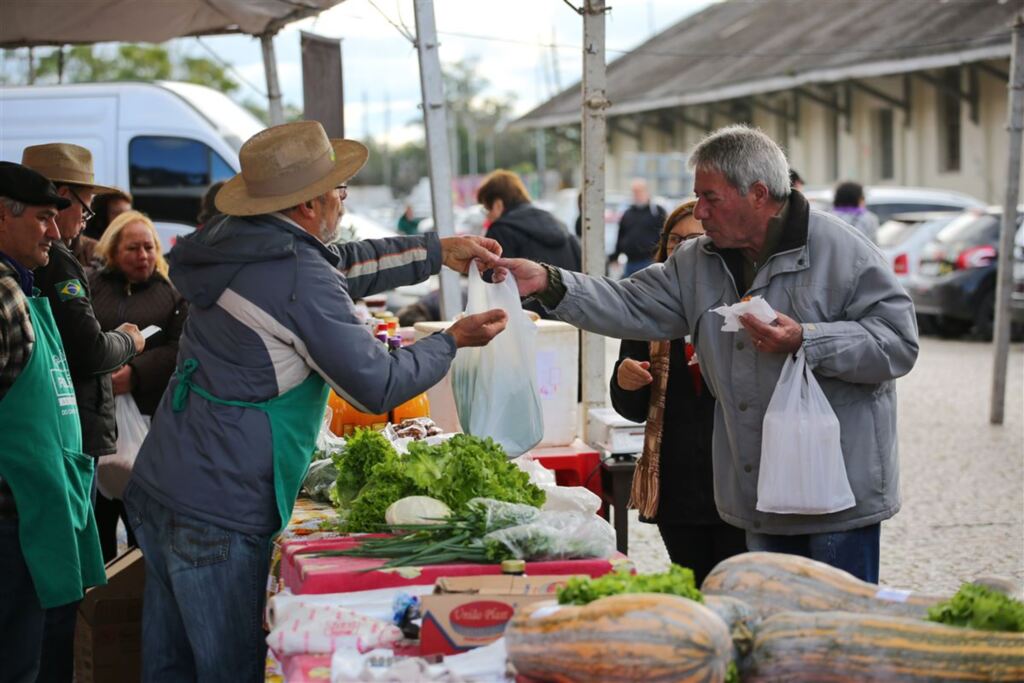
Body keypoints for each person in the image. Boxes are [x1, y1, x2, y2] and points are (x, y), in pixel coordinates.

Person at [122, 120, 508, 681]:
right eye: (339, 193)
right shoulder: (294, 273)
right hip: (218, 507)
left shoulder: (235, 242)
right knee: (227, 669)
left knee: (169, 666)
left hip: (165, 480)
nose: (343, 204)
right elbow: (376, 385)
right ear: (307, 204)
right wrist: (451, 340)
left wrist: (433, 252)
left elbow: (337, 263)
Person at [498, 125, 919, 583]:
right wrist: (548, 281)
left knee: (836, 630)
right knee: (766, 622)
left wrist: (807, 340)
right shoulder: (696, 260)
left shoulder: (844, 251)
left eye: (710, 198)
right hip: (757, 494)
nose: (699, 211)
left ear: (758, 194)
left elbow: (897, 343)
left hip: (837, 493)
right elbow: (630, 302)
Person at [22, 143, 145, 683]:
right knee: (52, 595)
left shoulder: (49, 263)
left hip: (60, 445)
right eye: (82, 209)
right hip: (50, 455)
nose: (61, 229)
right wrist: (130, 342)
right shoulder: (51, 268)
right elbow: (90, 352)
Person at [0, 162, 106, 683]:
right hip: (10, 518)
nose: (55, 230)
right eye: (44, 218)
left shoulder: (17, 285)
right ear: (2, 215)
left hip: (31, 512)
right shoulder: (0, 297)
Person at [609, 200, 746, 585]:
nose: (685, 249)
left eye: (697, 240)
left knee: (739, 585)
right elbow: (632, 410)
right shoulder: (647, 307)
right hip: (679, 486)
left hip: (738, 482)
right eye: (676, 241)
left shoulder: (745, 303)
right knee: (693, 585)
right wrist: (625, 381)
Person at [89, 210, 188, 562]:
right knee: (97, 519)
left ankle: (137, 598)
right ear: (114, 251)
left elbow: (180, 348)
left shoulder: (171, 295)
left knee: (143, 521)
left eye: (149, 247)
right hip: (95, 423)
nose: (143, 255)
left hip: (148, 422)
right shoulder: (91, 287)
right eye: (133, 248)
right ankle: (98, 607)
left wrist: (136, 373)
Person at [476, 169, 580, 319]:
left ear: (498, 204)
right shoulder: (561, 227)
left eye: (486, 209)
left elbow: (490, 285)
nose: (487, 216)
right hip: (566, 324)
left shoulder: (501, 230)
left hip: (526, 327)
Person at [613, 178, 666, 276]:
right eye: (634, 192)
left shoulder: (657, 212)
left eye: (639, 191)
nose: (636, 195)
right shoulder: (628, 213)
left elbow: (665, 235)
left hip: (649, 261)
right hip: (630, 262)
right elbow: (620, 235)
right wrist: (615, 256)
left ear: (647, 191)